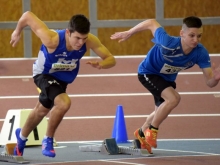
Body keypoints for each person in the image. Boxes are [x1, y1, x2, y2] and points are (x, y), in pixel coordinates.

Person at [10, 11, 116, 158]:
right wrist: (17, 31)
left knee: (41, 110)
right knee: (64, 103)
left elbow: (111, 59)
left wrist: (101, 64)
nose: (80, 43)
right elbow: (27, 15)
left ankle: (21, 138)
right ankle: (48, 140)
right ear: (68, 32)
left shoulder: (89, 40)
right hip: (43, 74)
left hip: (62, 79)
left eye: (84, 39)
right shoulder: (52, 39)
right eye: (77, 38)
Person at [111, 16, 220, 154]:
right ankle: (152, 131)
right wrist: (129, 32)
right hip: (148, 72)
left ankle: (141, 133)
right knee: (174, 99)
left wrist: (216, 78)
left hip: (167, 79)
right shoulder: (168, 42)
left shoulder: (200, 52)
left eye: (199, 36)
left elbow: (209, 82)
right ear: (182, 33)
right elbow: (151, 22)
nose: (196, 40)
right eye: (192, 35)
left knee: (161, 110)